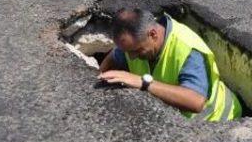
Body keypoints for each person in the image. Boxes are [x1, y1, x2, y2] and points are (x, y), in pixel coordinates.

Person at [99, 8, 242, 121]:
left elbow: (196, 101)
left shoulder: (187, 49)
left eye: (136, 50)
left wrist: (143, 83)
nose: (131, 56)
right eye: (127, 51)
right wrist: (99, 76)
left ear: (153, 34)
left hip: (217, 122)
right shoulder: (133, 43)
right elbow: (115, 55)